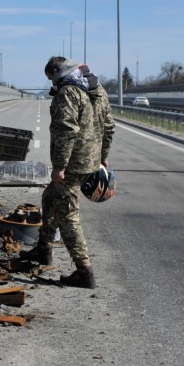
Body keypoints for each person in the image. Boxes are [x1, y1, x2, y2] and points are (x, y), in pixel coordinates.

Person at [19, 56, 114, 288]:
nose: (51, 83)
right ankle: (44, 249)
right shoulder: (96, 89)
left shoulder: (68, 92)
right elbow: (109, 125)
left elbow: (66, 130)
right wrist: (103, 155)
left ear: (55, 71)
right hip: (89, 161)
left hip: (72, 164)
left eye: (51, 78)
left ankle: (84, 272)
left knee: (68, 216)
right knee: (49, 197)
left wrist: (60, 166)